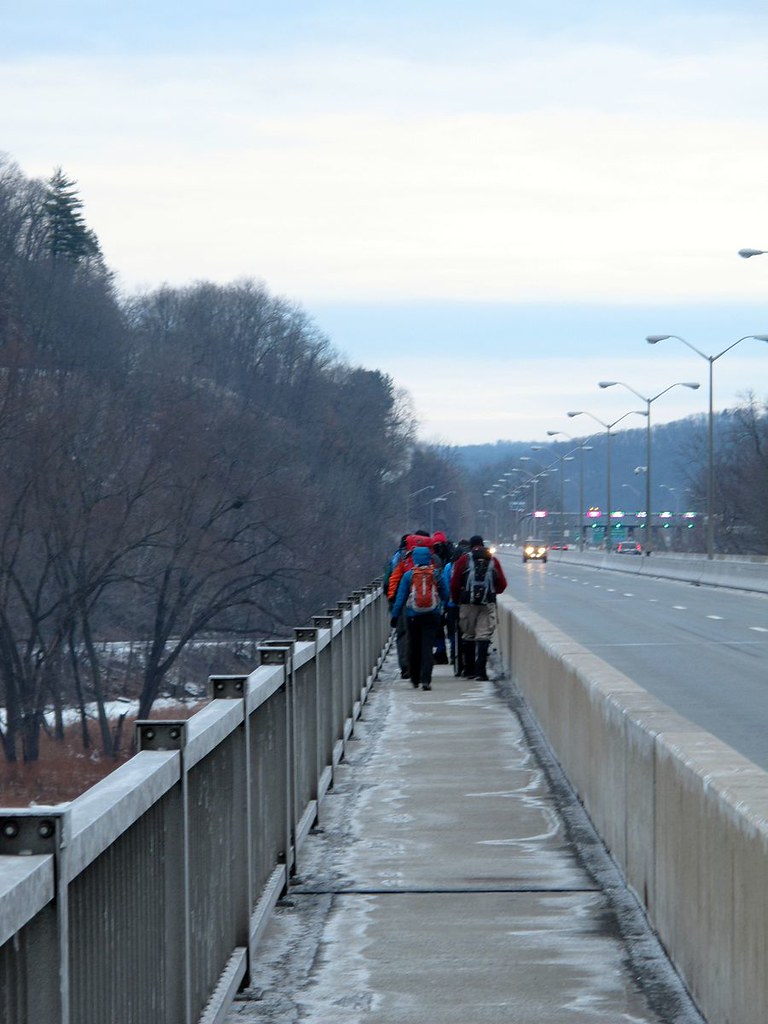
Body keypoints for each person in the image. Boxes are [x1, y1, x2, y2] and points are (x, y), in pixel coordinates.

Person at [390, 545, 449, 690]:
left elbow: (401, 597)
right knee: (427, 647)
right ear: (429, 558)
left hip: (413, 616)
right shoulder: (435, 573)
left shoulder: (408, 575)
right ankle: (426, 680)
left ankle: (414, 678)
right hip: (432, 615)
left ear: (414, 558)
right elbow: (446, 593)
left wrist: (395, 615)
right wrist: (442, 606)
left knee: (413, 647)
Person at [450, 534, 507, 681]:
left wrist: (457, 599)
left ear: (470, 546)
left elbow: (455, 582)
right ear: (483, 544)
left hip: (467, 604)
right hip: (486, 603)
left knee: (468, 635)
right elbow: (502, 585)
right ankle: (481, 672)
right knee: (483, 635)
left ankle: (469, 670)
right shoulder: (492, 560)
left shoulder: (464, 560)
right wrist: (492, 592)